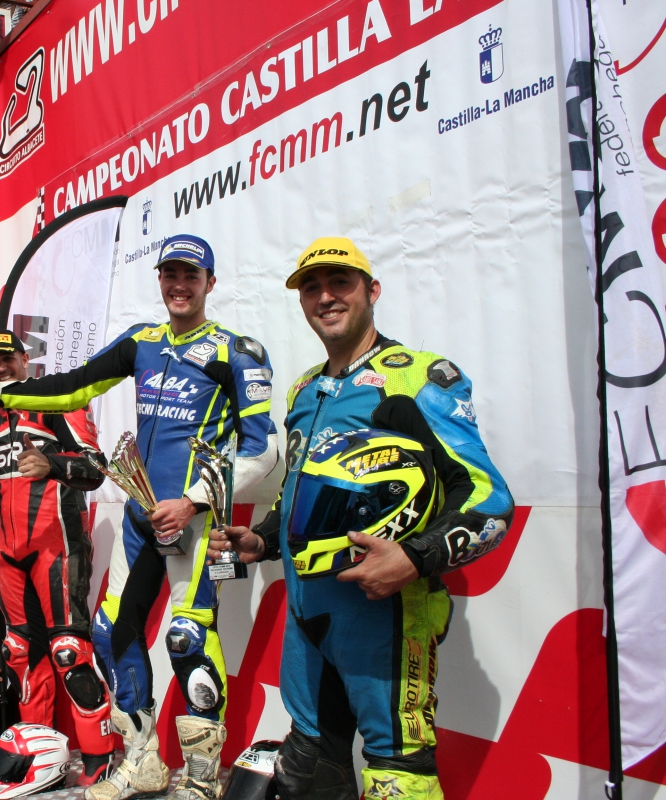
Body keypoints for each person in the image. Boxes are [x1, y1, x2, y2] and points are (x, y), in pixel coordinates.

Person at [0, 234, 280, 800]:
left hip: (194, 518)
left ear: (210, 282)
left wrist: (193, 500)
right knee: (108, 631)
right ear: (160, 279)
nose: (179, 285)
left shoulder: (236, 351)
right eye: (170, 274)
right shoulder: (142, 342)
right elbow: (71, 387)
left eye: (191, 275)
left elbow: (263, 450)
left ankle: (202, 777)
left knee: (186, 637)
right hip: (139, 514)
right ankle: (143, 759)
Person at [209, 237, 514, 800]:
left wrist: (413, 558)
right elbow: (297, 491)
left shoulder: (419, 377)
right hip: (308, 619)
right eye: (312, 287)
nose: (325, 296)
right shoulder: (304, 389)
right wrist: (263, 540)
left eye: (340, 282)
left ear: (372, 291)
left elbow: (487, 497)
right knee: (307, 770)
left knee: (398, 775)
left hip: (385, 616)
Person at [0, 331, 115, 786]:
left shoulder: (57, 401)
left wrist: (52, 465)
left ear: (26, 360)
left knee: (68, 652)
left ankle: (99, 759)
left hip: (57, 545)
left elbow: (96, 467)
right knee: (19, 653)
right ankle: (43, 761)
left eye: (8, 359)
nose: (0, 368)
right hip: (9, 552)